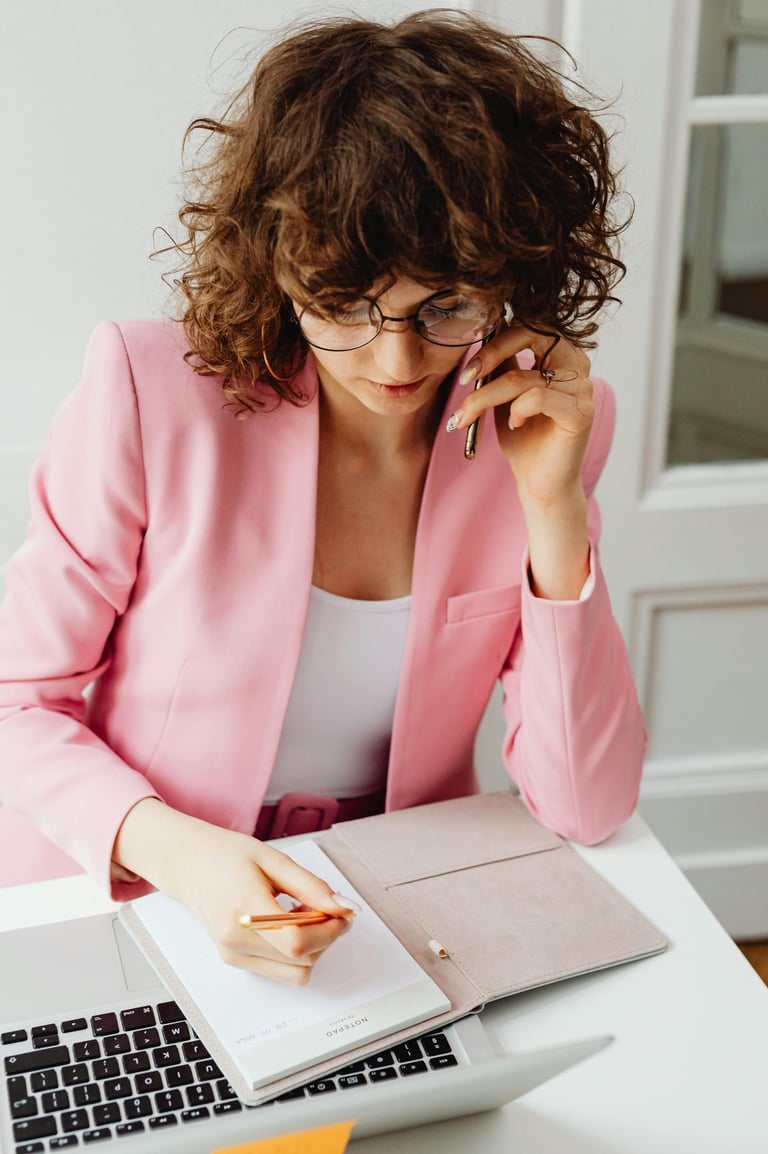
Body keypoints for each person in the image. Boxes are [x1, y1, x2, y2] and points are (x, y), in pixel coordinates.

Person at [0, 10, 646, 985]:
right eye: (347, 304)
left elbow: (587, 802)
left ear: (512, 275)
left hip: (394, 929)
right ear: (279, 257)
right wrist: (178, 850)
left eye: (447, 305)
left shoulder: (540, 431)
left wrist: (553, 511)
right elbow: (15, 700)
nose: (396, 358)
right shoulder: (151, 393)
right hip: (134, 898)